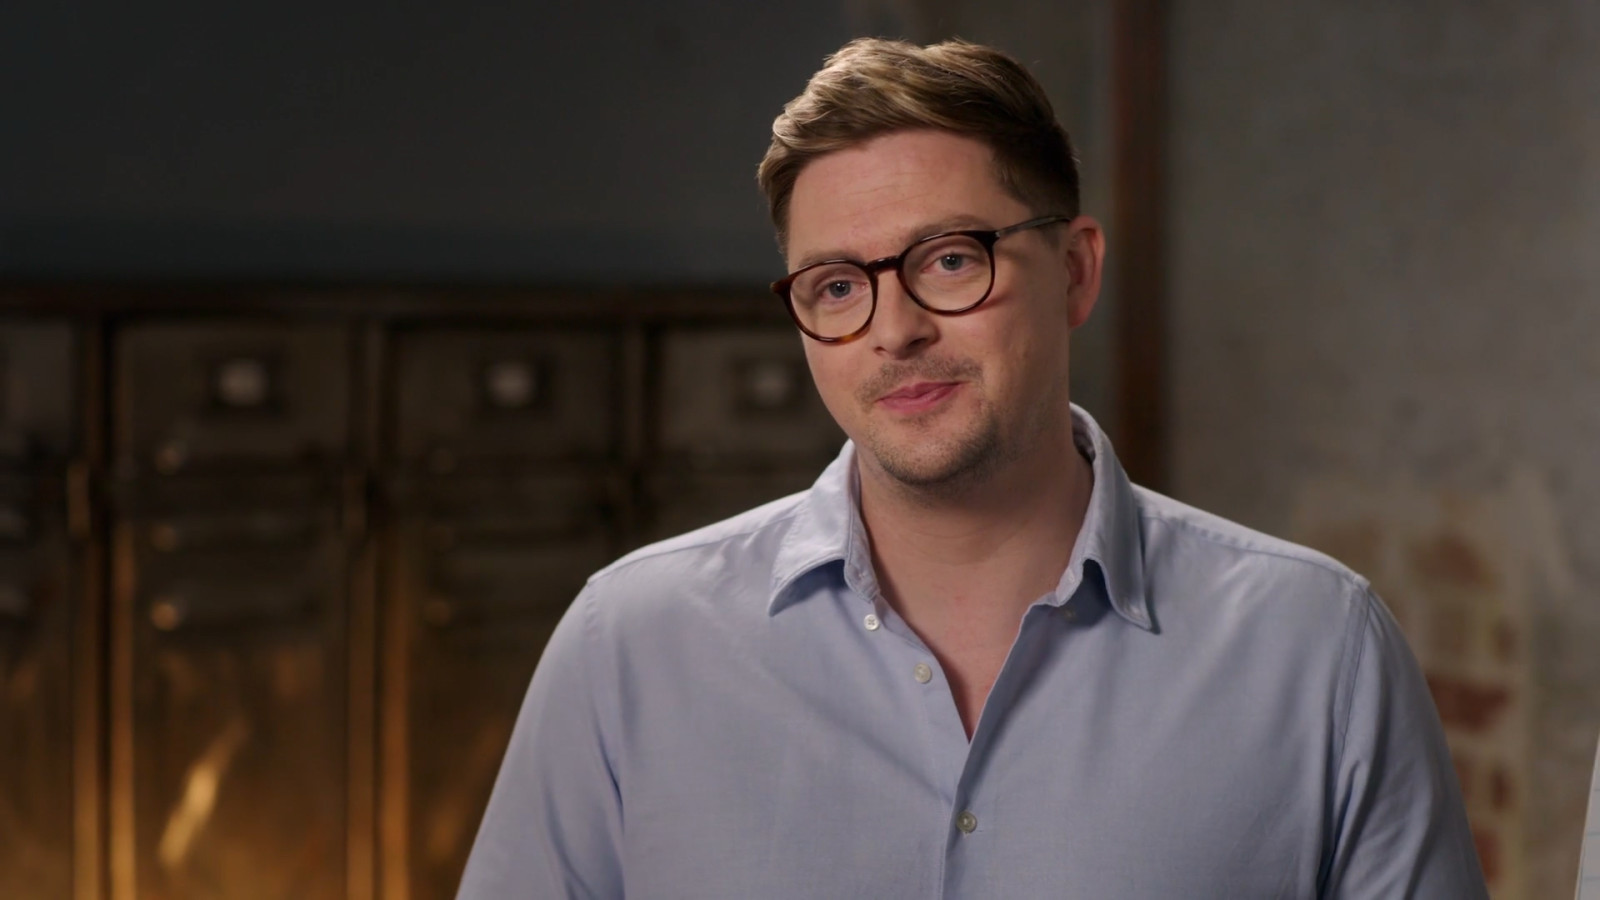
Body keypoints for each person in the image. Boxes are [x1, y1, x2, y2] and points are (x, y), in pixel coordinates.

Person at [458, 38, 1487, 899]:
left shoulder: (1317, 651)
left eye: (950, 260)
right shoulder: (628, 647)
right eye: (835, 286)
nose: (893, 330)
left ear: (1074, 271)